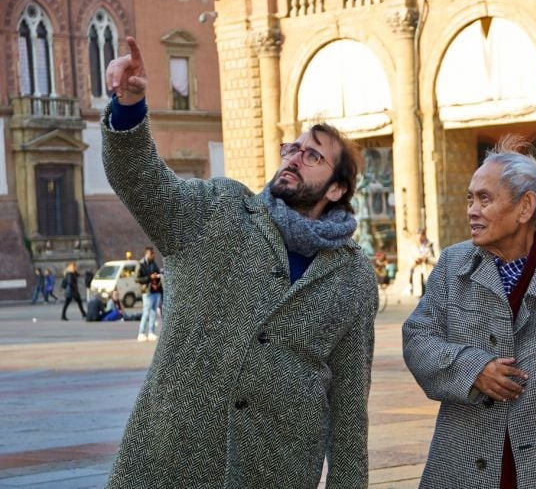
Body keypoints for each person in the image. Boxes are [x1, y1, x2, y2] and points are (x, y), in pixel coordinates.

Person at [101, 37, 377, 488]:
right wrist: (128, 108)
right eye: (292, 148)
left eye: (313, 156)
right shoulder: (220, 209)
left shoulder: (352, 276)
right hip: (171, 463)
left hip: (278, 472)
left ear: (336, 190)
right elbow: (143, 182)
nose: (293, 159)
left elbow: (349, 409)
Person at [403, 136, 536, 488]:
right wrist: (471, 368)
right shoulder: (452, 263)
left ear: (525, 208)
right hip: (461, 459)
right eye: (470, 198)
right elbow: (417, 338)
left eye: (485, 199)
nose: (471, 210)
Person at [135, 247, 162, 342]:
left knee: (153, 312)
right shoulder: (141, 264)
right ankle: (141, 333)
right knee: (146, 312)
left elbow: (157, 274)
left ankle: (151, 332)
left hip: (155, 290)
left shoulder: (153, 264)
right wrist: (149, 278)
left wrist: (157, 279)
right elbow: (137, 279)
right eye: (152, 254)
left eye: (153, 254)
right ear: (147, 254)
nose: (153, 255)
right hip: (147, 291)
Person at [408, 229, 435, 295]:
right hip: (418, 276)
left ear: (424, 236)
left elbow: (439, 260)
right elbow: (409, 264)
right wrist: (416, 262)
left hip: (429, 275)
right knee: (420, 300)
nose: (419, 239)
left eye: (421, 237)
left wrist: (427, 259)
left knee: (430, 298)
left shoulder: (432, 246)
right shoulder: (412, 248)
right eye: (417, 237)